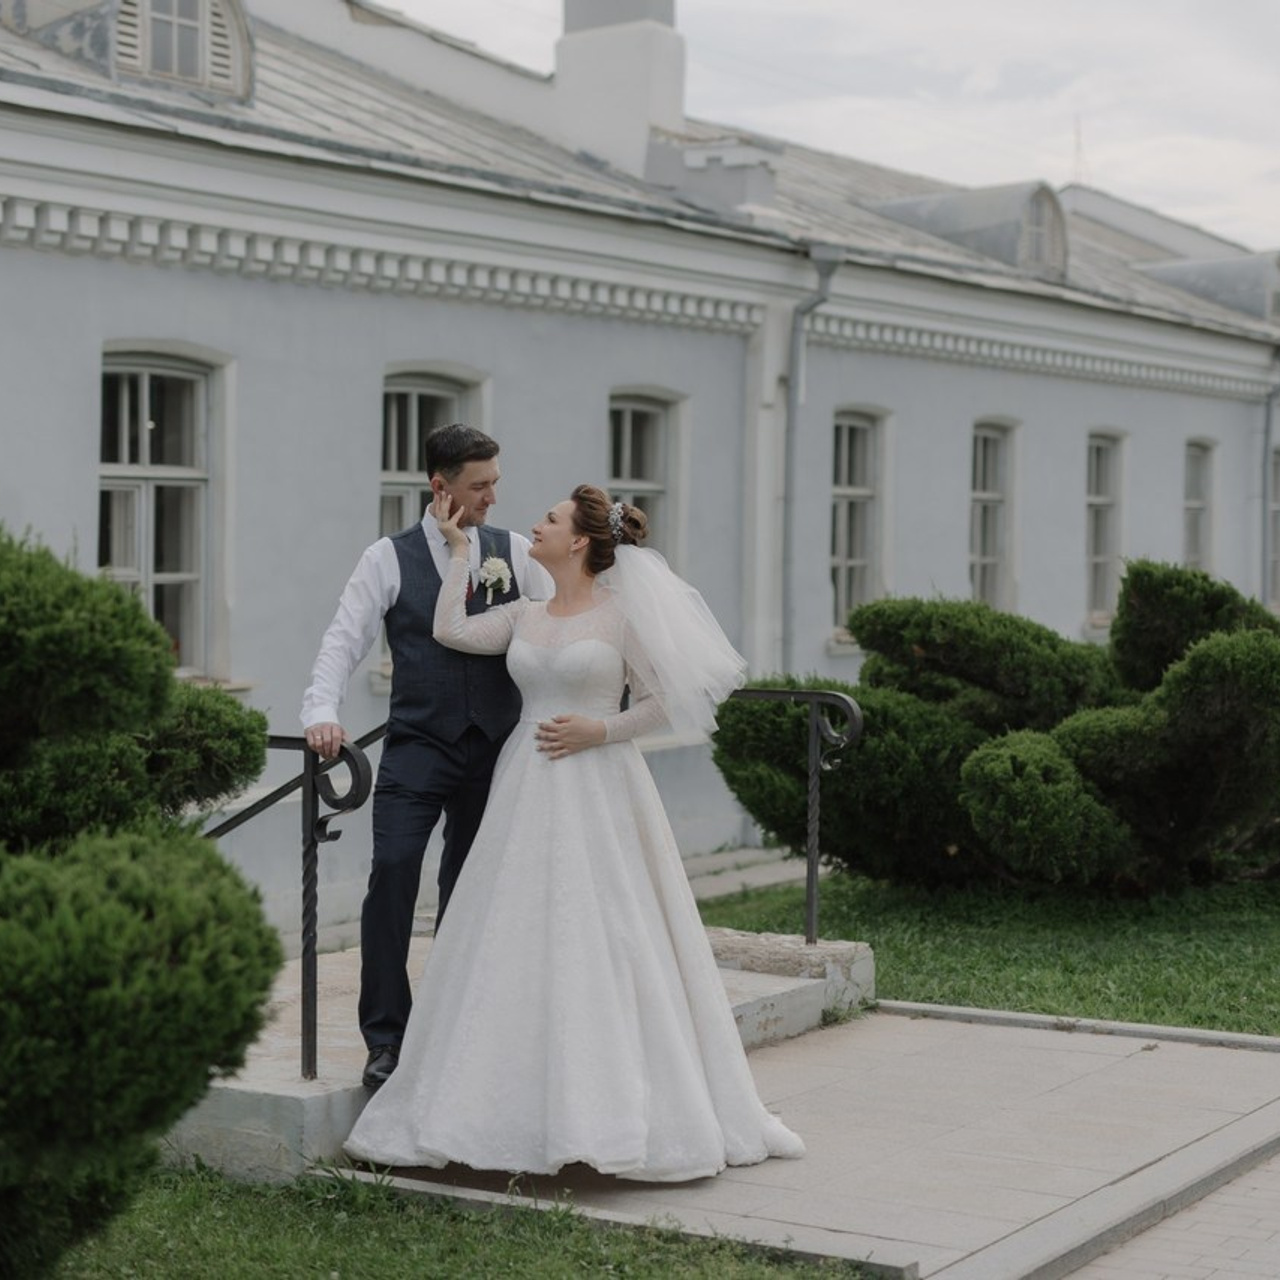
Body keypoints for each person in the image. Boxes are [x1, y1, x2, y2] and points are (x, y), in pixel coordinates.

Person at [343, 484, 804, 1181]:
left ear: (580, 540)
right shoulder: (523, 612)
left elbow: (660, 702)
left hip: (599, 787)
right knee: (511, 930)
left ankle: (611, 1108)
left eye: (551, 519)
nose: (536, 525)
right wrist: (460, 552)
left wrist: (601, 729)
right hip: (524, 787)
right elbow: (451, 630)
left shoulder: (620, 617)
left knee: (606, 930)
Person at [300, 424, 552, 1091]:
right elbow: (343, 640)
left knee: (472, 891)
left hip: (497, 749)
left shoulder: (513, 552)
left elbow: (562, 620)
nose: (493, 497)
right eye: (480, 485)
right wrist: (321, 712)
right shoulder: (387, 558)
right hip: (417, 747)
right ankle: (386, 1039)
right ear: (441, 487)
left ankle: (459, 1030)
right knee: (392, 873)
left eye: (496, 482)